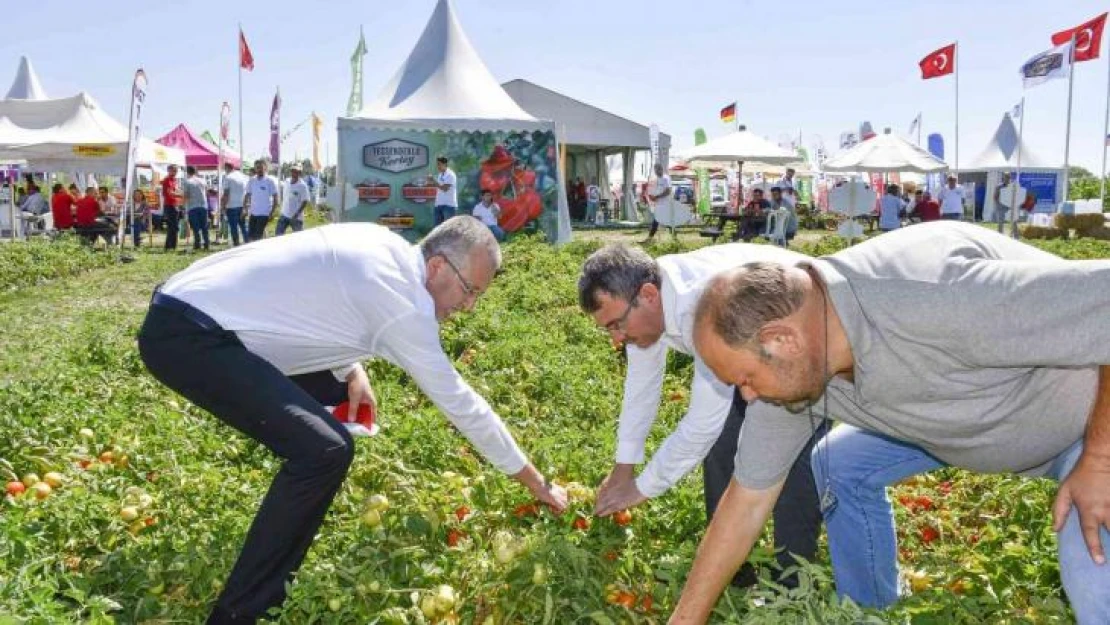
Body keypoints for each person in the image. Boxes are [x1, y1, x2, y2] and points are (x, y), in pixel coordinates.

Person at [670, 222, 1110, 624]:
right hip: (976, 417)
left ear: (781, 340)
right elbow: (745, 503)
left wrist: (1099, 459)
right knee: (837, 464)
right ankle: (871, 614)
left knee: (1094, 586)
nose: (747, 396)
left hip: (1089, 423)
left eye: (745, 379)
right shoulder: (796, 375)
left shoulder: (933, 296)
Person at [137, 216, 568, 623]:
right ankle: (240, 613)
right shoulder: (405, 305)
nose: (469, 307)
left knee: (329, 416)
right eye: (469, 291)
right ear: (438, 266)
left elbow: (321, 301)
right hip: (189, 338)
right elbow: (463, 405)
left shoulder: (383, 245)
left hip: (186, 305)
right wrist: (534, 480)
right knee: (323, 451)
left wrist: (352, 372)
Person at [577, 244, 828, 588]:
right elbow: (641, 389)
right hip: (751, 352)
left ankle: (792, 583)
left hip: (804, 343)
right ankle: (732, 568)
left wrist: (641, 488)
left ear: (647, 295)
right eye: (608, 329)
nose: (617, 337)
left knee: (793, 458)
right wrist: (624, 468)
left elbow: (700, 427)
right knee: (722, 447)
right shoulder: (650, 299)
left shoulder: (702, 306)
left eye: (617, 324)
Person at [244, 160, 279, 242]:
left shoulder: (270, 181)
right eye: (257, 168)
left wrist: (272, 212)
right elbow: (247, 195)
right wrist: (244, 208)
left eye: (261, 167)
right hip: (253, 213)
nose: (259, 169)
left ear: (265, 168)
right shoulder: (252, 180)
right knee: (250, 236)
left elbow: (275, 197)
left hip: (264, 213)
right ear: (255, 169)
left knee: (257, 237)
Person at [639, 163, 672, 244]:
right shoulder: (657, 179)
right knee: (659, 221)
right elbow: (657, 191)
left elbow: (668, 191)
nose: (656, 171)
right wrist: (652, 196)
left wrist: (657, 197)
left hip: (665, 203)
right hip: (659, 203)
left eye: (657, 169)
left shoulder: (665, 178)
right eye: (655, 170)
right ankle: (651, 238)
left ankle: (650, 238)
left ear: (661, 169)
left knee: (659, 221)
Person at [276, 165, 310, 236]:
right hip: (284, 214)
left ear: (299, 173)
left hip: (296, 218)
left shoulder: (302, 186)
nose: (294, 173)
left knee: (299, 238)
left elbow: (305, 201)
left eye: (296, 172)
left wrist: (297, 214)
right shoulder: (287, 181)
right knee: (278, 235)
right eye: (293, 171)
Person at [222, 163, 250, 246]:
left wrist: (223, 206)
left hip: (231, 206)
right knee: (243, 227)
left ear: (227, 168)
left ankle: (236, 244)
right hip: (242, 205)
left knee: (234, 228)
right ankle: (247, 243)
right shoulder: (243, 176)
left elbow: (226, 194)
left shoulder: (228, 177)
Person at [183, 166, 210, 251]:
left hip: (193, 206)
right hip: (203, 205)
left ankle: (197, 243)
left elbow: (186, 195)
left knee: (196, 227)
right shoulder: (202, 180)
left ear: (187, 172)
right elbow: (207, 192)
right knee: (204, 227)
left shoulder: (187, 182)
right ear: (195, 171)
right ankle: (206, 243)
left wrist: (183, 206)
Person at [161, 165, 184, 250]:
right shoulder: (167, 180)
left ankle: (169, 246)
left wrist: (180, 195)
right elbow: (170, 193)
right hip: (170, 205)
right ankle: (171, 246)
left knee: (173, 227)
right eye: (173, 170)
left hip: (175, 205)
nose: (175, 172)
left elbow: (176, 191)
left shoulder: (174, 180)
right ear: (168, 170)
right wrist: (182, 195)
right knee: (173, 227)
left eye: (176, 171)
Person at [433, 156, 458, 225]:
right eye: (437, 164)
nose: (438, 166)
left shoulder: (451, 175)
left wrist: (433, 181)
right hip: (439, 205)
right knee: (437, 229)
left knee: (449, 229)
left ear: (445, 164)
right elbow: (439, 188)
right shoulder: (440, 175)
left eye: (439, 164)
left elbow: (445, 188)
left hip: (449, 206)